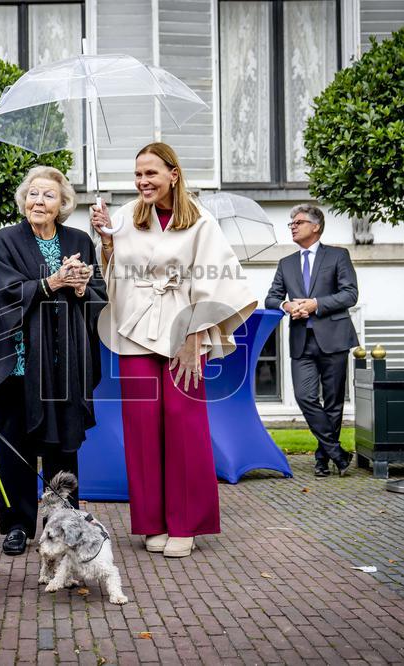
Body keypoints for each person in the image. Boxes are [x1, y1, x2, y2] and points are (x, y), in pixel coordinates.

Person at [90, 143, 257, 559]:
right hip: (135, 329)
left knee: (184, 423)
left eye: (151, 174)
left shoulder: (201, 221)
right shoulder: (126, 216)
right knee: (142, 425)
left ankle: (185, 524)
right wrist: (106, 241)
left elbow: (214, 280)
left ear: (173, 175)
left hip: (184, 329)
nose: (143, 182)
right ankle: (152, 522)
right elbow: (115, 276)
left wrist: (193, 337)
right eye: (138, 175)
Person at [0, 166, 107, 556]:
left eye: (48, 195)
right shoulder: (7, 240)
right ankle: (18, 525)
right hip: (21, 362)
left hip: (64, 363)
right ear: (24, 200)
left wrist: (84, 286)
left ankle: (64, 521)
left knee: (62, 445)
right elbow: (5, 294)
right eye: (33, 194)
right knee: (16, 446)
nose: (39, 201)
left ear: (62, 205)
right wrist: (52, 282)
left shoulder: (80, 240)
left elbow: (98, 292)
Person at [265, 204, 359, 477]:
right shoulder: (286, 263)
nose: (293, 226)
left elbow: (349, 294)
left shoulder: (338, 256)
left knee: (333, 402)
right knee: (305, 397)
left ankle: (323, 459)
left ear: (315, 226)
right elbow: (271, 297)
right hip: (301, 340)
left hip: (334, 337)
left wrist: (316, 303)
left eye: (299, 222)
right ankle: (337, 452)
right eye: (291, 223)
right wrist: (286, 306)